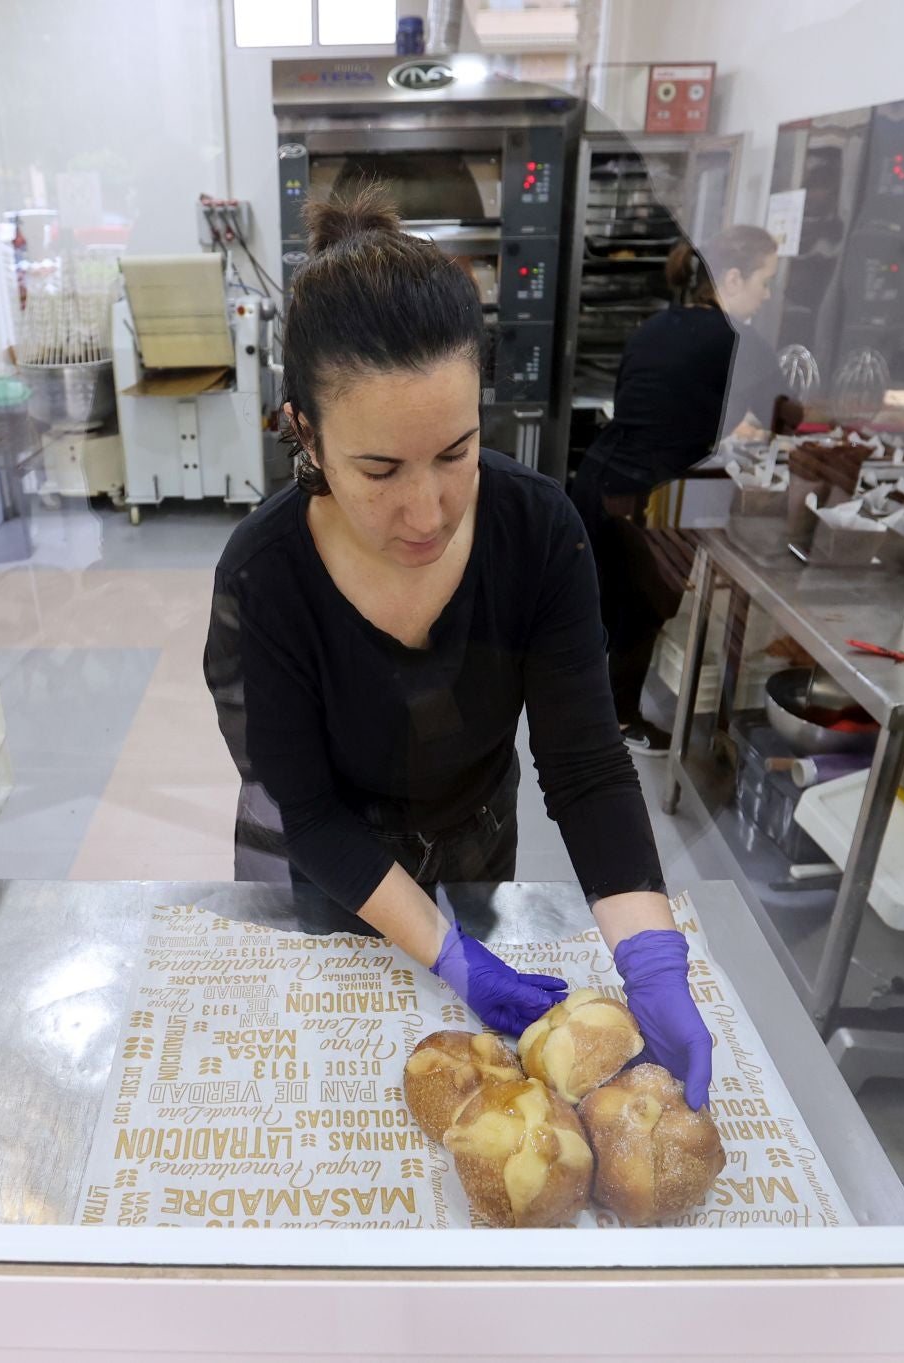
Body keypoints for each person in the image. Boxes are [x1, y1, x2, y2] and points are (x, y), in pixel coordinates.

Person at [203, 186, 713, 1108]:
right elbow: (309, 815)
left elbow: (587, 767)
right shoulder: (266, 575)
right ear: (306, 434)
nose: (429, 510)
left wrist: (650, 953)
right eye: (380, 469)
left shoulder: (536, 532)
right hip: (327, 882)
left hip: (474, 853)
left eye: (456, 451)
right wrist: (446, 955)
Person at [570, 225, 786, 756]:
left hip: (598, 480)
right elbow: (787, 415)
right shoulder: (741, 341)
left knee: (604, 607)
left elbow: (654, 404)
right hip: (652, 497)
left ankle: (586, 716)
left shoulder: (655, 327)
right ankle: (618, 723)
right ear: (732, 277)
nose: (766, 294)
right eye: (764, 281)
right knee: (641, 613)